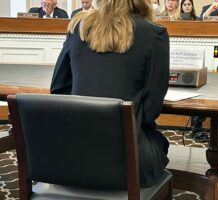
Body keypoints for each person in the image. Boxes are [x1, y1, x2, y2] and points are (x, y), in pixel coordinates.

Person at [50, 0, 170, 187]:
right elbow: (151, 109)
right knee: (158, 143)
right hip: (128, 163)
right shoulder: (155, 33)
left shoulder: (77, 28)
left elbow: (58, 89)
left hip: (72, 158)